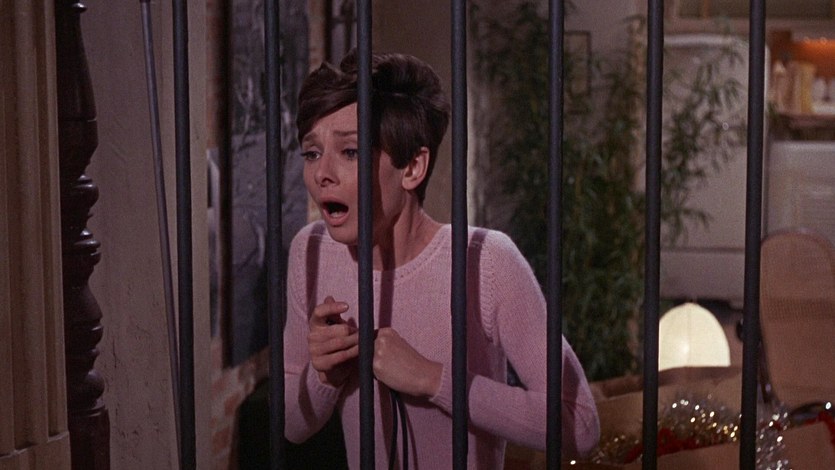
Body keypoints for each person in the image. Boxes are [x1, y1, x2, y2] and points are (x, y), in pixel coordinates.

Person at [283, 51, 600, 469]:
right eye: (311, 153)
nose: (322, 173)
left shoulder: (486, 262)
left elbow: (580, 425)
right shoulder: (310, 252)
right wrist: (324, 377)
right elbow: (291, 426)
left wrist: (433, 379)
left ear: (412, 167)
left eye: (350, 152)